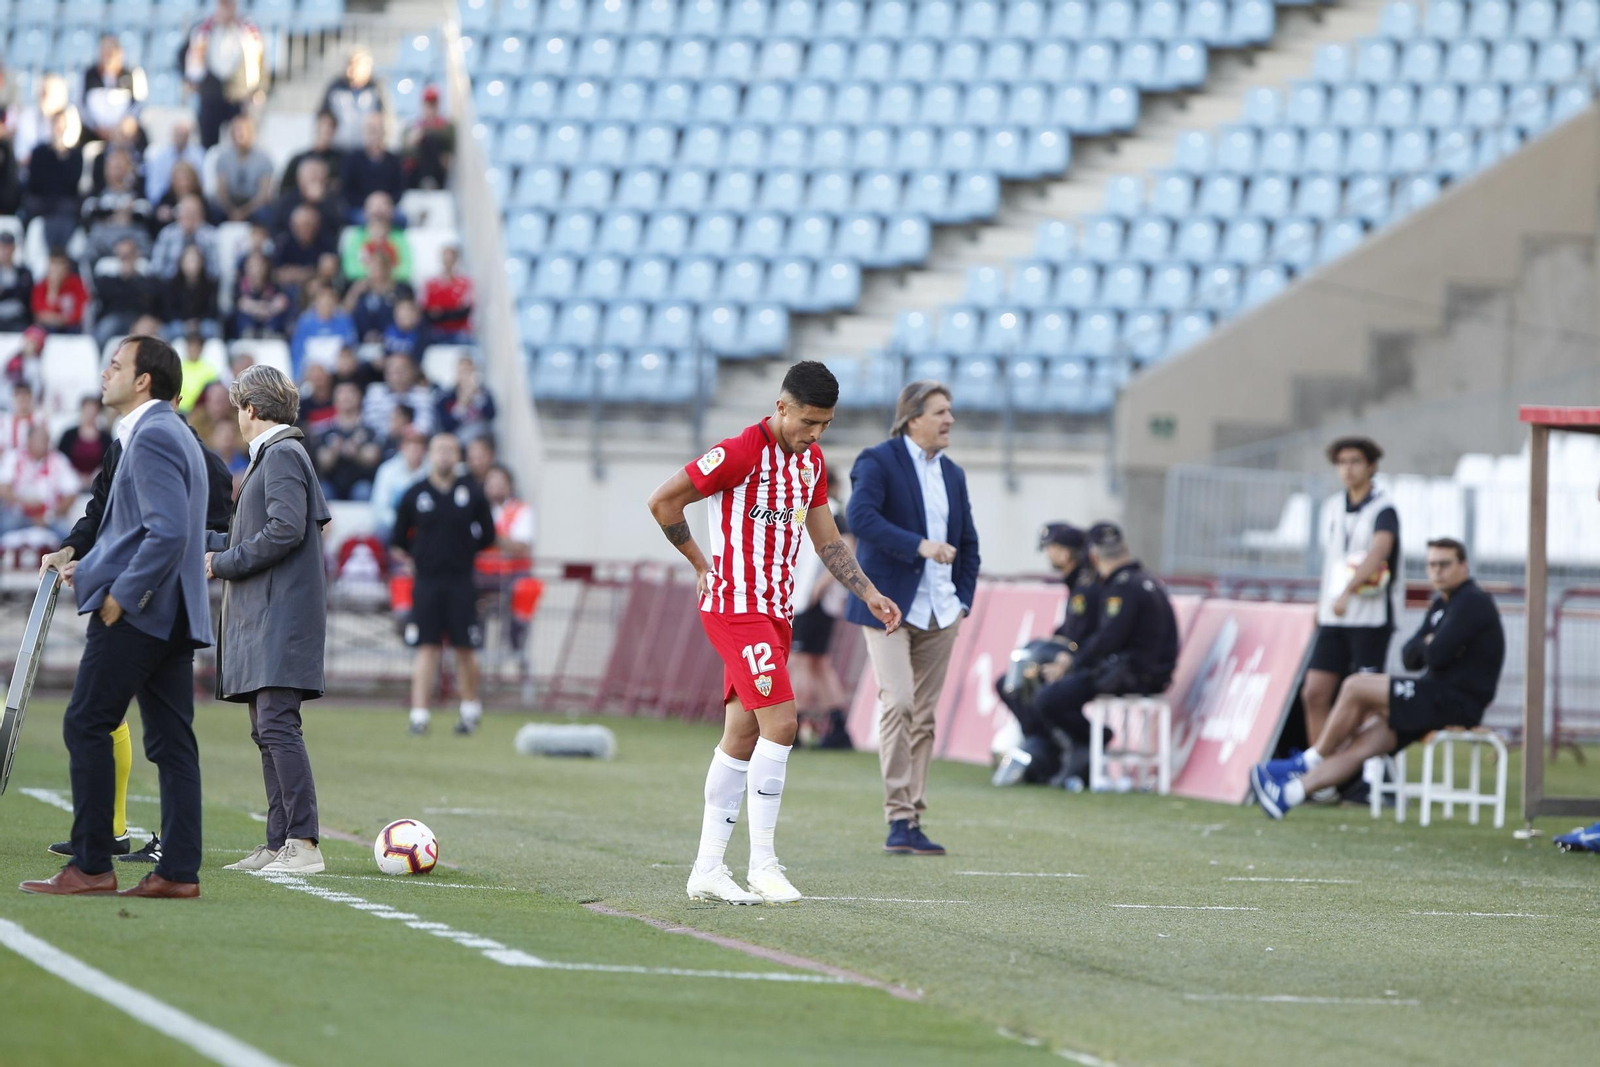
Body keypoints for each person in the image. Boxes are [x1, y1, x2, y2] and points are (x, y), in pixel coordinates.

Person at [646, 360, 901, 905]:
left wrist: (869, 592)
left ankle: (707, 868)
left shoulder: (809, 462)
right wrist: (698, 562)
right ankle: (763, 863)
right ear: (781, 407)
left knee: (741, 735)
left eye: (825, 424)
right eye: (808, 421)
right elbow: (663, 501)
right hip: (736, 607)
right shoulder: (739, 452)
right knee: (782, 725)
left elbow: (827, 538)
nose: (815, 433)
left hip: (775, 611)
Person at [22, 336, 211, 898]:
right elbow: (128, 524)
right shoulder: (171, 432)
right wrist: (77, 554)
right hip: (176, 611)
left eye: (116, 365)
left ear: (144, 380)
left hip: (142, 612)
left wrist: (123, 594)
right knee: (173, 743)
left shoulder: (151, 435)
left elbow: (169, 530)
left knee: (85, 722)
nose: (105, 374)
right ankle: (177, 872)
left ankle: (91, 864)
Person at [1253, 538, 1505, 820]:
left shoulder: (1473, 601)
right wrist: (1429, 644)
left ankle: (1309, 759)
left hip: (1453, 700)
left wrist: (1430, 646)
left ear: (1463, 566)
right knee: (1364, 743)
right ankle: (1289, 795)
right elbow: (1411, 656)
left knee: (1355, 686)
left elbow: (1435, 655)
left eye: (1444, 564)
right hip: (1431, 696)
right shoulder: (1439, 604)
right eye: (1431, 565)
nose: (1437, 571)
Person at [206, 365, 332, 874]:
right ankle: (278, 840)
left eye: (238, 407)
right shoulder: (277, 456)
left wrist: (223, 562)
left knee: (278, 725)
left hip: (281, 616)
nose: (237, 417)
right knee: (267, 728)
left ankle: (303, 843)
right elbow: (252, 535)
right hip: (266, 617)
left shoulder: (282, 454)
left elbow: (285, 529)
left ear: (251, 409)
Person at [845, 380, 979, 855]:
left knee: (924, 718)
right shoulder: (877, 461)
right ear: (912, 418)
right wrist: (918, 545)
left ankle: (911, 819)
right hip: (888, 608)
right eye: (941, 411)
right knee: (899, 702)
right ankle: (897, 815)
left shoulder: (954, 474)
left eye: (950, 411)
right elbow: (859, 518)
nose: (950, 420)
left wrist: (962, 600)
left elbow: (969, 544)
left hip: (943, 612)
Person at [994, 523, 1179, 789]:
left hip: (1133, 674)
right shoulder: (1142, 580)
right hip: (1137, 671)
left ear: (1092, 556)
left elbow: (1107, 639)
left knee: (1049, 697)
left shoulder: (1122, 587)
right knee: (1050, 692)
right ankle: (1073, 749)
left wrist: (1072, 662)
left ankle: (1087, 744)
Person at [1299, 436, 1401, 803]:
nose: (1348, 469)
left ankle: (1368, 778)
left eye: (1356, 461)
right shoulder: (1331, 507)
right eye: (1342, 462)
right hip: (1334, 616)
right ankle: (1324, 779)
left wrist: (1348, 591)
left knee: (1369, 700)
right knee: (1315, 692)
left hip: (1369, 617)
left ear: (1371, 466)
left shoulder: (1383, 508)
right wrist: (1323, 601)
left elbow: (1378, 553)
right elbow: (1332, 561)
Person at [391, 433, 495, 735]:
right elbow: (399, 539)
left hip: (462, 581)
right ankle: (420, 714)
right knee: (427, 647)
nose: (445, 455)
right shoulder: (415, 493)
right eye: (439, 450)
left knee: (465, 647)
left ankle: (469, 709)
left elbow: (487, 534)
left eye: (451, 450)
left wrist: (464, 551)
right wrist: (418, 559)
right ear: (430, 454)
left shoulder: (472, 492)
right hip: (427, 582)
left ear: (458, 455)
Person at [788, 493, 852, 749]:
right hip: (803, 595)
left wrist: (820, 585)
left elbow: (846, 547)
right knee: (817, 663)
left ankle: (796, 723)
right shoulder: (800, 509)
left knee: (800, 661)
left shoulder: (830, 511)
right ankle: (837, 726)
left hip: (813, 598)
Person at [182, 0, 266, 149]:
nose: (226, 10)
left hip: (238, 96)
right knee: (208, 142)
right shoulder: (202, 30)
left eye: (230, 5)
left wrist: (258, 88)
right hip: (210, 95)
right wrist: (190, 79)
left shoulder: (248, 31)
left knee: (240, 141)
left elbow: (261, 61)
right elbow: (183, 56)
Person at [0, 423, 80, 535]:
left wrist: (51, 514)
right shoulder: (13, 457)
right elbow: (3, 489)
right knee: (5, 525)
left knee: (67, 536)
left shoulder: (58, 460)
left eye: (45, 440)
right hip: (18, 513)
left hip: (50, 516)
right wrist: (24, 502)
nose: (42, 444)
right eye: (38, 439)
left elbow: (71, 493)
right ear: (28, 441)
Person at [314, 381, 382, 501]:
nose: (346, 397)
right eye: (341, 393)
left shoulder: (369, 430)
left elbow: (372, 457)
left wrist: (356, 450)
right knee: (321, 490)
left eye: (350, 393)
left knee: (363, 491)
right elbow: (322, 462)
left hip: (360, 483)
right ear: (334, 399)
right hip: (332, 484)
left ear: (359, 398)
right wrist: (335, 450)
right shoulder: (325, 431)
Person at [79, 34, 147, 148]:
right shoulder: (87, 75)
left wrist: (122, 125)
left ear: (120, 53)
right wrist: (97, 128)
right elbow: (80, 105)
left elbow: (139, 105)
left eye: (111, 51)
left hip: (124, 133)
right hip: (93, 133)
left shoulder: (133, 74)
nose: (107, 56)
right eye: (104, 51)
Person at [211, 114, 274, 224]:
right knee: (213, 209)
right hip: (230, 202)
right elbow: (221, 191)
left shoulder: (264, 159)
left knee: (265, 212)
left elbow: (263, 194)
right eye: (236, 130)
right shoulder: (223, 158)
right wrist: (231, 211)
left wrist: (244, 212)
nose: (240, 134)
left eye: (244, 130)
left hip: (253, 203)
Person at [290, 281, 358, 379]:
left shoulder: (344, 320)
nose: (326, 303)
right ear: (316, 301)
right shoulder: (305, 322)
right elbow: (297, 352)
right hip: (312, 371)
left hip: (336, 371)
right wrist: (297, 376)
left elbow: (351, 345)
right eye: (323, 299)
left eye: (330, 299)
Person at [346, 241, 412, 341]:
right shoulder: (359, 289)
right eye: (372, 265)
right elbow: (344, 313)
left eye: (379, 265)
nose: (375, 269)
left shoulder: (401, 289)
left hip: (393, 340)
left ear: (388, 267)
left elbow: (409, 317)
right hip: (360, 340)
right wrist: (354, 293)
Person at [340, 192, 412, 281]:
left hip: (393, 286)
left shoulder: (399, 237)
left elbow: (406, 270)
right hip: (362, 286)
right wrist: (375, 276)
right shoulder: (356, 237)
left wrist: (383, 276)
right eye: (374, 206)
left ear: (392, 212)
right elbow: (351, 269)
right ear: (365, 212)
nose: (378, 210)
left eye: (383, 205)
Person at [321, 49, 383, 153]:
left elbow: (383, 118)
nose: (351, 70)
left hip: (366, 150)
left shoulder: (376, 89)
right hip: (339, 149)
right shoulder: (335, 88)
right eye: (348, 65)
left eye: (355, 65)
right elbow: (324, 118)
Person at [371, 424, 426, 538]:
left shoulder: (432, 470)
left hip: (423, 524)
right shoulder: (387, 470)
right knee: (381, 528)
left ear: (424, 448)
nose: (414, 448)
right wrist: (402, 524)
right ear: (402, 446)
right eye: (410, 443)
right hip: (395, 524)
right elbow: (381, 507)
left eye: (419, 444)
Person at [363, 351, 437, 435]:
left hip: (413, 443)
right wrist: (391, 430)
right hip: (381, 442)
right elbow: (370, 423)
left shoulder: (423, 395)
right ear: (386, 373)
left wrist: (404, 431)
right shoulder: (375, 392)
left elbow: (425, 426)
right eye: (393, 371)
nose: (398, 375)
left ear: (412, 372)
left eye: (402, 370)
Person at [342, 113, 405, 211]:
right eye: (370, 130)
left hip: (386, 209)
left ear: (384, 132)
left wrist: (384, 202)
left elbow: (399, 189)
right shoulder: (352, 159)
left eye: (377, 130)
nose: (374, 134)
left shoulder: (394, 160)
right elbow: (347, 191)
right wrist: (370, 203)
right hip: (361, 208)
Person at [151, 194, 220, 279]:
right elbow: (156, 267)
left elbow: (216, 271)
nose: (189, 216)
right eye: (186, 212)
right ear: (178, 214)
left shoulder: (211, 235)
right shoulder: (167, 233)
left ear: (201, 215)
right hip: (170, 284)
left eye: (193, 213)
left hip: (204, 286)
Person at [273, 202, 338, 290]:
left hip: (316, 289)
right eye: (301, 225)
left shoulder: (325, 242)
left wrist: (301, 273)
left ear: (317, 226)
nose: (305, 229)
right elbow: (276, 273)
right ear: (293, 226)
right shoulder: (284, 242)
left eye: (309, 225)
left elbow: (328, 269)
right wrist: (309, 272)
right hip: (286, 290)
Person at [161, 245, 221, 340]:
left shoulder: (210, 284)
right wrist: (187, 323)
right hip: (181, 323)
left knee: (212, 328)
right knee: (169, 330)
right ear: (181, 263)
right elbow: (169, 311)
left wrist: (197, 322)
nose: (191, 265)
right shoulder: (172, 284)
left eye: (194, 261)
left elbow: (212, 310)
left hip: (201, 323)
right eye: (188, 261)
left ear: (201, 262)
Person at [280, 110, 344, 198]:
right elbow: (283, 190)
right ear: (316, 127)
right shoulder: (298, 159)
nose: (325, 130)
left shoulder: (341, 160)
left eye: (330, 126)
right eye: (322, 125)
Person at [144, 116, 206, 206]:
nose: (180, 138)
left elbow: (202, 183)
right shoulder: (159, 156)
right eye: (178, 134)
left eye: (184, 135)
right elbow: (154, 189)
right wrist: (160, 206)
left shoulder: (199, 155)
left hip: (194, 200)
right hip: (167, 201)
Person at [232, 249, 291, 338]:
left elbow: (282, 301)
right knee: (242, 317)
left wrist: (269, 309)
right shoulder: (240, 285)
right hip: (250, 318)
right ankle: (248, 335)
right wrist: (258, 308)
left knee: (278, 318)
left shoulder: (273, 284)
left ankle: (271, 335)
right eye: (252, 265)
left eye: (260, 264)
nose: (257, 269)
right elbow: (241, 303)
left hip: (269, 317)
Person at [57, 396, 113, 489]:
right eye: (87, 410)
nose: (90, 414)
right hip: (71, 483)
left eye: (93, 410)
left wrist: (96, 475)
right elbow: (60, 458)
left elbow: (110, 460)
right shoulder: (68, 435)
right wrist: (76, 475)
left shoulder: (105, 437)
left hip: (97, 484)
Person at [437, 355, 497, 440]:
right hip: (459, 442)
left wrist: (476, 396)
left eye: (470, 371)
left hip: (482, 439)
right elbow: (446, 425)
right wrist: (462, 405)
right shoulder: (446, 397)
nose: (466, 376)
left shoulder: (483, 393)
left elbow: (491, 414)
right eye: (463, 372)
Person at [31, 249, 89, 334]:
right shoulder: (41, 286)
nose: (58, 267)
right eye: (54, 263)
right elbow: (40, 315)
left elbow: (81, 311)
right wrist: (53, 288)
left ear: (67, 266)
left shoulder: (77, 284)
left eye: (61, 263)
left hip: (72, 327)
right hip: (49, 328)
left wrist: (62, 319)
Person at [421, 242, 473, 337]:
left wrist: (442, 313)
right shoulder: (430, 284)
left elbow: (464, 311)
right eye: (445, 258)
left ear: (456, 260)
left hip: (459, 331)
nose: (448, 261)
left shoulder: (464, 283)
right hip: (435, 331)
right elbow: (427, 311)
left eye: (451, 258)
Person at [0, 231, 33, 331]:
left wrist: (5, 291)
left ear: (14, 248)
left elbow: (24, 294)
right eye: (3, 247)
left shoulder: (24, 272)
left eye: (8, 247)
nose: (6, 251)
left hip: (17, 319)